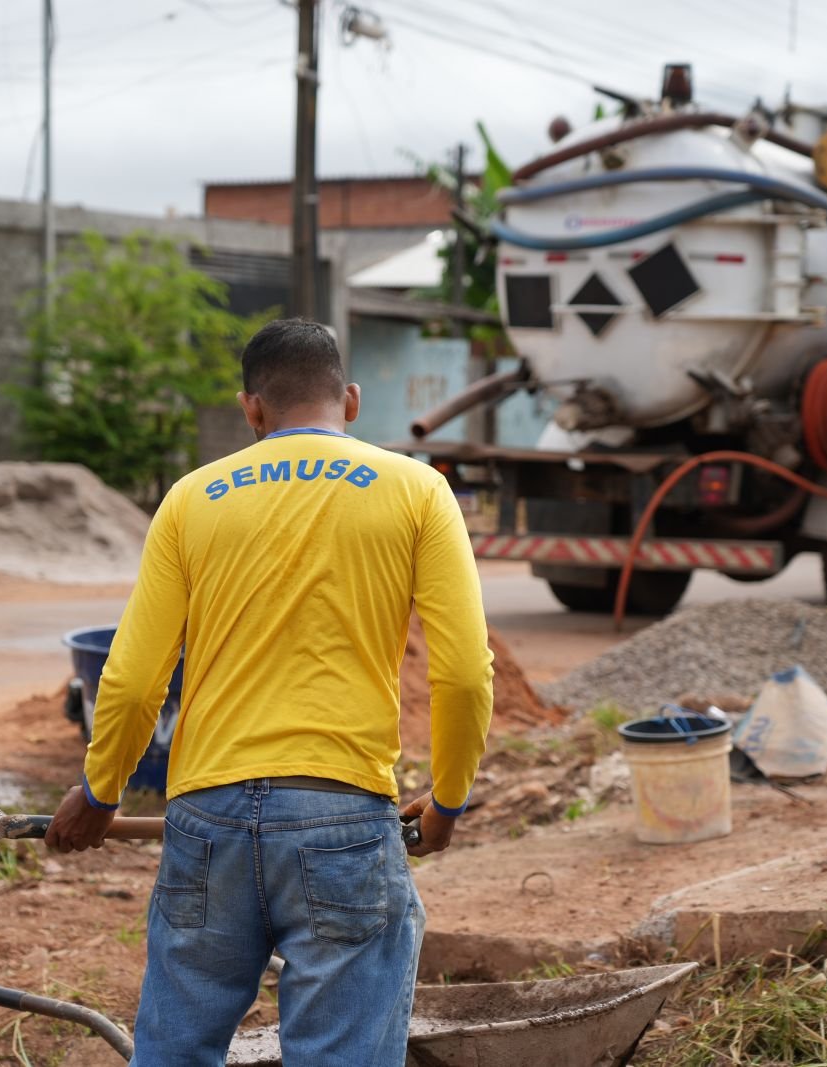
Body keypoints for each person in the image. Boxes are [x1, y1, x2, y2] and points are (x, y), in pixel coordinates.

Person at [45, 318, 495, 1067]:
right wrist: (446, 799)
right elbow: (462, 674)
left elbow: (130, 678)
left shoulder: (191, 500)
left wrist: (100, 787)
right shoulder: (419, 490)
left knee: (173, 1052)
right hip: (343, 816)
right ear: (350, 401)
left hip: (205, 819)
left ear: (251, 409)